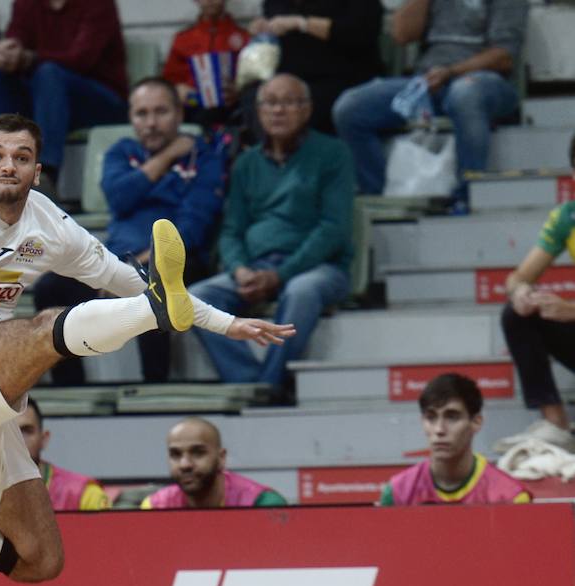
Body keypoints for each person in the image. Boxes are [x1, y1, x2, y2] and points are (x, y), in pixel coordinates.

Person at [0, 113, 291, 584]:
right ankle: (153, 317)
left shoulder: (49, 223)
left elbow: (133, 282)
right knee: (44, 327)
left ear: (37, 171)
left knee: (40, 561)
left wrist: (226, 323)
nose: (8, 166)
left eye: (21, 158)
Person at [33, 77, 228, 385]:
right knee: (51, 288)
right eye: (142, 114)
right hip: (120, 257)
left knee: (155, 279)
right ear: (131, 118)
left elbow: (195, 223)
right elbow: (119, 197)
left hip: (182, 258)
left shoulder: (203, 158)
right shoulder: (121, 152)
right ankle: (70, 387)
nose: (151, 123)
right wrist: (165, 158)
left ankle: (155, 384)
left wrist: (134, 268)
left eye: (160, 112)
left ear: (179, 115)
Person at [190, 74, 352, 393]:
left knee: (302, 291)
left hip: (318, 268)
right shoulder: (246, 163)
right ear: (259, 112)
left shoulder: (333, 154)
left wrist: (280, 275)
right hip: (257, 266)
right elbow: (232, 230)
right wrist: (240, 271)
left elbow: (334, 228)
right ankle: (248, 383)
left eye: (289, 102)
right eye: (271, 103)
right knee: (196, 299)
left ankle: (270, 383)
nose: (279, 111)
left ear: (307, 110)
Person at [332, 0, 526, 208]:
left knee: (464, 95)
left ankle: (467, 195)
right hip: (428, 80)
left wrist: (451, 72)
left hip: (484, 81)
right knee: (350, 108)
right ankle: (381, 196)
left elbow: (504, 57)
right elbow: (401, 34)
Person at [0, 0, 129, 195]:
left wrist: (29, 59)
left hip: (101, 100)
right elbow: (16, 38)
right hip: (47, 99)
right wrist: (5, 53)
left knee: (49, 73)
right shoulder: (26, 4)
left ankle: (44, 174)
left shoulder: (98, 4)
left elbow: (81, 59)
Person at [496, 134, 575, 454]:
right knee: (516, 313)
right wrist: (521, 293)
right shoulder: (566, 218)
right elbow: (517, 277)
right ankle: (555, 425)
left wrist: (571, 311)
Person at [380, 372, 530, 506]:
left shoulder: (510, 498)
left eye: (452, 417)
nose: (439, 429)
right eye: (431, 417)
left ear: (476, 422)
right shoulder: (397, 493)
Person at [250, 1, 382, 137]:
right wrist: (263, 27)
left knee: (295, 107)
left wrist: (302, 23)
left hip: (340, 77)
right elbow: (272, 21)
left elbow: (360, 32)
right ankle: (269, 155)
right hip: (287, 77)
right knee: (257, 97)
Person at [0, 401, 109, 510]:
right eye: (8, 433)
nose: (18, 441)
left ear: (44, 439)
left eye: (26, 431)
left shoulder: (84, 495)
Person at [141, 416, 287, 508]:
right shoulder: (154, 506)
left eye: (198, 453)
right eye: (175, 454)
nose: (185, 464)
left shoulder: (262, 504)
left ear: (221, 458)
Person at [162, 0, 250, 128]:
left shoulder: (244, 37)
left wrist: (240, 91)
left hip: (232, 108)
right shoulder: (183, 39)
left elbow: (255, 81)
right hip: (192, 109)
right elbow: (168, 82)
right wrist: (178, 90)